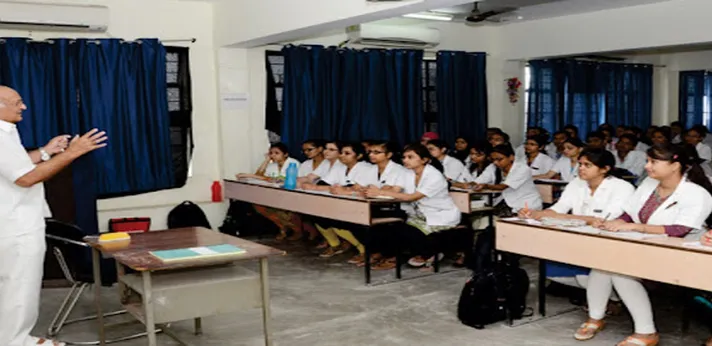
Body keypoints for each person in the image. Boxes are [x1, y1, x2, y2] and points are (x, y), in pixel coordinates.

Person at [0, 86, 108, 346]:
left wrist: (47, 151)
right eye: (17, 102)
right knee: (19, 289)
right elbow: (25, 177)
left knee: (12, 288)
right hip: (16, 227)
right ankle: (15, 342)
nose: (23, 107)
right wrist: (73, 152)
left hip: (14, 224)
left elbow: (15, 164)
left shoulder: (6, 133)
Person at [576, 143, 712, 346]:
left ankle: (646, 332)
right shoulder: (649, 184)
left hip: (681, 250)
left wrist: (635, 228)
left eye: (653, 162)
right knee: (603, 263)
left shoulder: (695, 192)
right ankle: (596, 318)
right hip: (648, 244)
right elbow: (630, 211)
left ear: (675, 165)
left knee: (621, 270)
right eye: (648, 161)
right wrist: (618, 221)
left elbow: (679, 230)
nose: (647, 166)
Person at [519, 149, 634, 307]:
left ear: (605, 169)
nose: (581, 168)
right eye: (580, 164)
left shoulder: (622, 187)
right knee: (552, 271)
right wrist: (536, 213)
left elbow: (605, 220)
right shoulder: (577, 183)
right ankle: (609, 298)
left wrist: (564, 217)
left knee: (586, 276)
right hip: (578, 237)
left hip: (608, 240)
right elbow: (560, 208)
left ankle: (613, 299)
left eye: (588, 165)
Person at [365, 143, 460, 268]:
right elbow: (395, 191)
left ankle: (427, 254)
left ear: (424, 160)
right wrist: (375, 191)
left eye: (410, 157)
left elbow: (413, 197)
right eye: (404, 157)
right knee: (385, 227)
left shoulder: (434, 175)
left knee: (400, 230)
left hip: (440, 215)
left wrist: (381, 192)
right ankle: (393, 255)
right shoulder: (406, 173)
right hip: (418, 214)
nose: (405, 160)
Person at [307, 143, 377, 259]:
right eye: (342, 153)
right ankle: (335, 245)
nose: (342, 156)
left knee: (338, 219)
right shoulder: (340, 166)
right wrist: (322, 187)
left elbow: (355, 188)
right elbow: (324, 183)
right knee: (317, 215)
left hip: (361, 205)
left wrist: (342, 189)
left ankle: (363, 249)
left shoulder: (366, 168)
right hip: (341, 202)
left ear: (359, 156)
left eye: (347, 153)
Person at [473, 144, 543, 214]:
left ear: (511, 157)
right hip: (508, 204)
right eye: (493, 160)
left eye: (499, 159)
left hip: (526, 205)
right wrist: (467, 185)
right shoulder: (493, 167)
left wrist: (486, 186)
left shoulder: (521, 168)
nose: (495, 162)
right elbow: (477, 181)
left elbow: (503, 187)